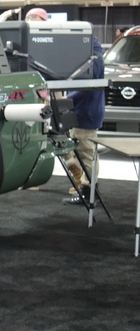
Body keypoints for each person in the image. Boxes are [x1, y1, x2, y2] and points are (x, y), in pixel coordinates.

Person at [63, 34, 105, 205]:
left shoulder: (92, 59)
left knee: (86, 153)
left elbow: (87, 86)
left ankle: (88, 193)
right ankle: (85, 189)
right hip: (82, 110)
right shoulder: (89, 56)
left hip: (86, 111)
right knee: (81, 151)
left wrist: (66, 98)